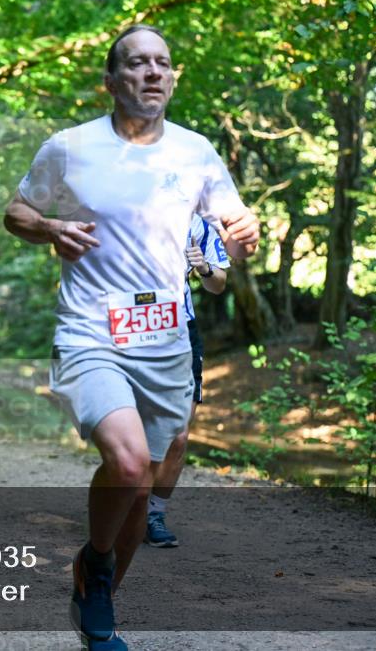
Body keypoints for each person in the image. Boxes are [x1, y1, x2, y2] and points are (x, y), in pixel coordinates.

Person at [4, 25, 259, 649]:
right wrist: (51, 226)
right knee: (123, 462)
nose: (152, 72)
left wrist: (243, 230)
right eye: (137, 63)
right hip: (91, 328)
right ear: (112, 80)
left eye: (163, 64)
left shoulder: (197, 152)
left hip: (167, 338)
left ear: (172, 79)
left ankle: (98, 595)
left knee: (144, 483)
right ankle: (94, 559)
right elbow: (17, 213)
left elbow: (227, 227)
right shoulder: (69, 148)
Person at [145, 215, 230, 548]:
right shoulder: (124, 207)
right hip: (129, 329)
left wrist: (205, 268)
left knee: (177, 436)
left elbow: (218, 283)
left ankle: (153, 515)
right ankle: (123, 505)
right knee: (129, 428)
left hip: (180, 333)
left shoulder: (200, 224)